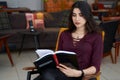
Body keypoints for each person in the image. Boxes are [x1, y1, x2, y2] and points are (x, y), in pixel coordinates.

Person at [34, 1, 103, 80]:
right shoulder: (64, 34)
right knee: (46, 74)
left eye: (81, 15)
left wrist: (79, 73)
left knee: (47, 76)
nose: (77, 19)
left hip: (82, 75)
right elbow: (58, 57)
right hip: (63, 73)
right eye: (74, 15)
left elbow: (96, 67)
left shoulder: (96, 36)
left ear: (87, 16)